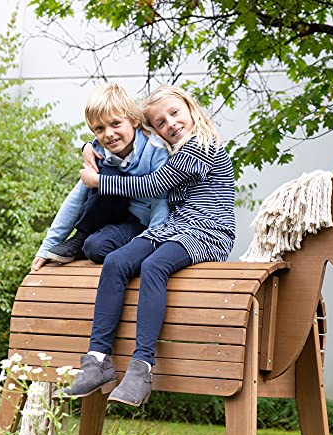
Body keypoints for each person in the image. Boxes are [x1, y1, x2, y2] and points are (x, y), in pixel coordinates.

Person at [65, 85, 236, 407]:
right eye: (159, 122)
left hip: (210, 230)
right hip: (174, 228)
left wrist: (98, 181)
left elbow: (152, 184)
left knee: (153, 266)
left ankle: (141, 366)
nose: (169, 123)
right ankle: (97, 359)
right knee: (116, 261)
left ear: (190, 108)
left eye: (174, 114)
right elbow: (123, 129)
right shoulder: (170, 147)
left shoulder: (200, 145)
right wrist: (91, 145)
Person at [31, 83, 169, 272]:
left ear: (134, 120)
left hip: (141, 222)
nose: (109, 134)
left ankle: (89, 241)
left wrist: (152, 241)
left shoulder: (155, 150)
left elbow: (160, 201)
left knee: (95, 247)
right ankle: (80, 236)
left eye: (115, 124)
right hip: (113, 214)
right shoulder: (100, 152)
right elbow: (76, 199)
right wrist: (46, 247)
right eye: (99, 129)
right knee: (104, 172)